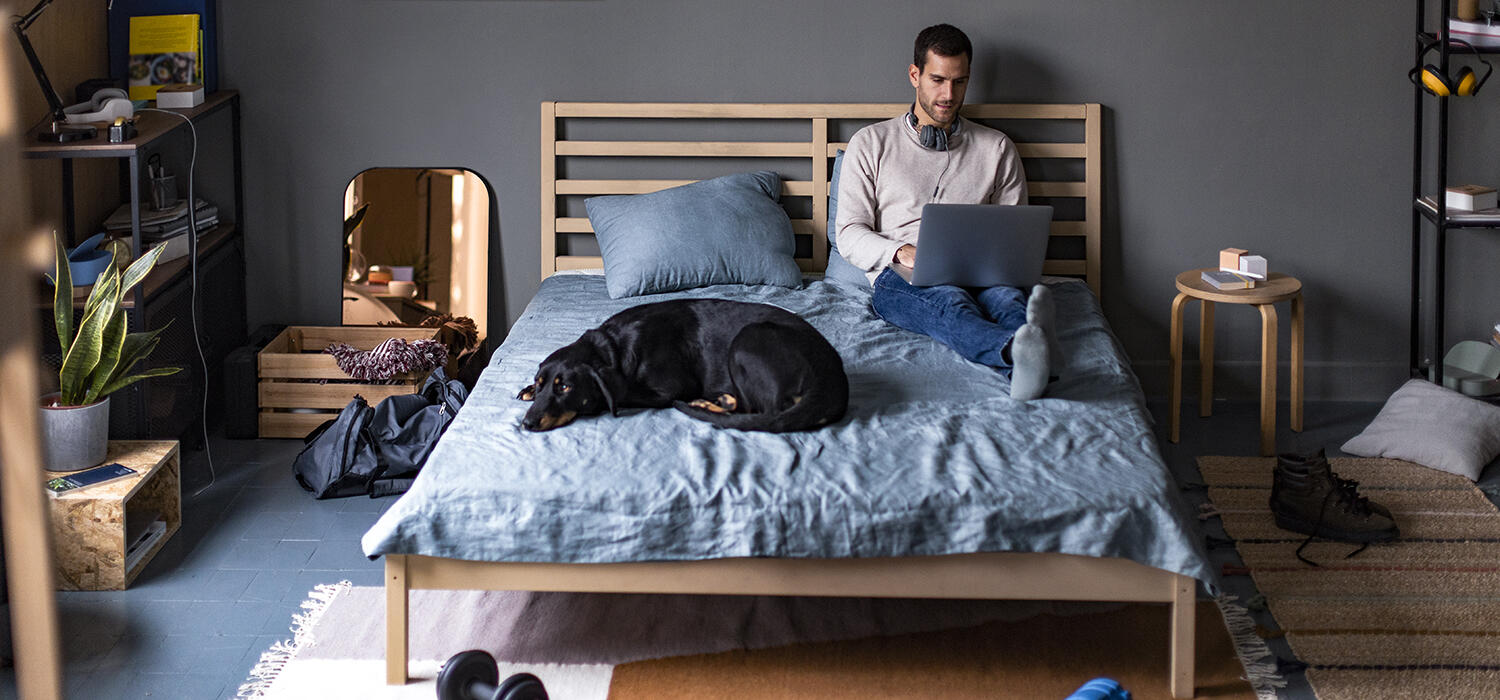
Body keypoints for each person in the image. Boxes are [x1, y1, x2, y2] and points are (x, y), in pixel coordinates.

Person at [834, 23, 1057, 400]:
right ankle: (1017, 352)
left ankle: (1026, 346)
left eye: (959, 82)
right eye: (937, 80)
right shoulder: (870, 142)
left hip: (984, 271)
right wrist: (902, 252)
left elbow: (1014, 232)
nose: (948, 95)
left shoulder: (997, 148)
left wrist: (1003, 265)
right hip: (900, 274)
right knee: (950, 304)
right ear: (914, 74)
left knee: (1006, 298)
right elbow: (849, 233)